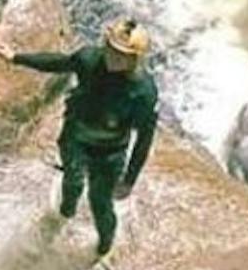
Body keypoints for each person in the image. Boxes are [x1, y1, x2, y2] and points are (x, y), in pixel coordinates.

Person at [13, 19, 160, 255]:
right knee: (72, 181)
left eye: (122, 55)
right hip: (75, 140)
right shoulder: (89, 59)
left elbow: (144, 138)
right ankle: (64, 213)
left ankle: (103, 248)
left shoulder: (142, 92)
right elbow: (58, 62)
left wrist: (129, 180)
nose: (114, 57)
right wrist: (16, 57)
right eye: (111, 49)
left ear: (134, 59)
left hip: (110, 152)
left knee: (100, 203)